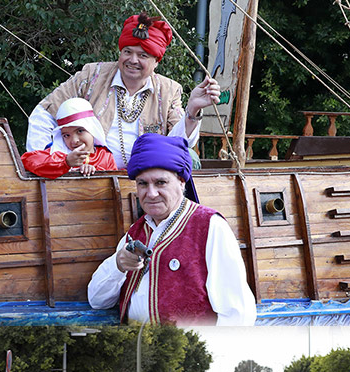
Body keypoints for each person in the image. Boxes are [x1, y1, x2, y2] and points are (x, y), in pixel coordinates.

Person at [87, 134, 257, 325]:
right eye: (143, 183)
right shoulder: (135, 232)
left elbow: (238, 315)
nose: (150, 193)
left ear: (182, 182)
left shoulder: (210, 227)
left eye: (160, 183)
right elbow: (97, 301)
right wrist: (118, 265)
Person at [26, 12, 220, 169]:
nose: (133, 60)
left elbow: (177, 145)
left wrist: (193, 110)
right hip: (87, 178)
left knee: (191, 159)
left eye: (143, 55)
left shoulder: (169, 90)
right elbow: (43, 114)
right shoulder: (91, 75)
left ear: (156, 62)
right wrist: (50, 162)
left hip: (144, 184)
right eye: (127, 52)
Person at [21, 97, 116, 178]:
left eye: (80, 131)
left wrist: (96, 173)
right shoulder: (58, 154)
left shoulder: (105, 156)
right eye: (66, 135)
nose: (74, 141)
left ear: (92, 129)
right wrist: (66, 162)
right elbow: (26, 160)